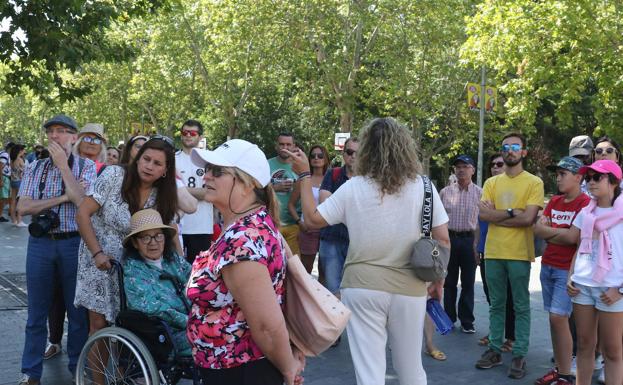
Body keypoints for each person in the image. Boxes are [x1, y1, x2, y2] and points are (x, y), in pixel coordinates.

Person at [287, 117, 450, 385]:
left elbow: (313, 220)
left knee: (369, 372)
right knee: (411, 370)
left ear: (366, 151)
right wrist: (437, 281)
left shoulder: (353, 188)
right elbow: (443, 240)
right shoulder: (424, 187)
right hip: (410, 287)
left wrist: (305, 176)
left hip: (361, 287)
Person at [188, 139, 305, 385]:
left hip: (239, 371)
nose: (206, 176)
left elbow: (265, 326)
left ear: (247, 184)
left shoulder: (241, 241)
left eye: (217, 171)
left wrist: (288, 369)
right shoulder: (253, 223)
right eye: (207, 169)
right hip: (236, 367)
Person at [75, 136, 178, 385]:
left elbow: (165, 231)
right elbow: (82, 214)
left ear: (165, 171)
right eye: (146, 159)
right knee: (99, 326)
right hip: (97, 258)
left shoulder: (161, 196)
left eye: (157, 163)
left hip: (134, 265)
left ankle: (122, 378)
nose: (149, 166)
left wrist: (179, 265)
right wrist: (98, 253)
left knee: (129, 325)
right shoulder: (113, 176)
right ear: (137, 158)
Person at [17, 114, 95, 385]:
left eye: (62, 131)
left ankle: (77, 368)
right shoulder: (35, 167)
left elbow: (83, 201)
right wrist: (63, 197)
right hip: (40, 244)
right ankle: (31, 373)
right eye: (51, 132)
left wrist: (63, 167)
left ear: (75, 137)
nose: (55, 136)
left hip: (74, 243)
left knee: (77, 313)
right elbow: (22, 207)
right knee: (36, 313)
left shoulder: (86, 166)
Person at [476, 132, 544, 379]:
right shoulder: (491, 183)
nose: (510, 150)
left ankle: (519, 353)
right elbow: (484, 215)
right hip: (493, 252)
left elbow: (529, 219)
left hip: (519, 254)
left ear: (523, 152)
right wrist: (512, 212)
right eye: (506, 147)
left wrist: (500, 215)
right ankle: (494, 350)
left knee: (520, 305)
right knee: (496, 304)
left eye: (515, 146)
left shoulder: (534, 182)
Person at [533, 156, 590, 385]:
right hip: (547, 266)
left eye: (563, 174)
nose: (558, 178)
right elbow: (537, 229)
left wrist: (552, 232)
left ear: (578, 177)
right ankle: (561, 369)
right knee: (554, 319)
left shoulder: (585, 203)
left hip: (566, 270)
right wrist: (561, 233)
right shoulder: (554, 200)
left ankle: (565, 375)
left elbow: (574, 237)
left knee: (559, 317)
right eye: (557, 174)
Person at [567, 160, 623, 385]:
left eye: (596, 177)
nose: (590, 182)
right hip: (582, 286)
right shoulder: (585, 212)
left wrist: (620, 289)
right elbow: (581, 247)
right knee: (583, 345)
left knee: (612, 351)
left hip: (612, 290)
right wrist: (571, 276)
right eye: (588, 178)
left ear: (613, 181)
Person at [123, 209, 192, 357]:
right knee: (216, 338)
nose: (153, 242)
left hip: (193, 323)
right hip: (167, 334)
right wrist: (191, 321)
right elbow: (153, 309)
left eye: (158, 236)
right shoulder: (134, 270)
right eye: (145, 238)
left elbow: (196, 281)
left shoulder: (173, 260)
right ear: (135, 243)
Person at [476, 153, 516, 352]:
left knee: (509, 298)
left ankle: (511, 337)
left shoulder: (510, 190)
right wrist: (477, 246)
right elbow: (481, 219)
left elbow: (515, 216)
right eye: (492, 164)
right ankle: (495, 333)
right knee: (492, 297)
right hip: (486, 251)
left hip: (507, 252)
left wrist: (495, 213)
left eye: (499, 164)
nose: (495, 167)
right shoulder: (488, 190)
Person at [440, 154, 482, 334]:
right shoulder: (445, 192)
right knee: (448, 282)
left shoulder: (480, 193)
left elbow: (482, 223)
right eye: (458, 167)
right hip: (449, 239)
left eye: (465, 166)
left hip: (469, 240)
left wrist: (478, 246)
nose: (461, 170)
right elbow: (438, 221)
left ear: (473, 170)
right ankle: (448, 318)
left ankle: (467, 320)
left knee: (468, 282)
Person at [318, 137, 359, 298]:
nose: (353, 156)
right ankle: (336, 323)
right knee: (332, 290)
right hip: (331, 239)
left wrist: (339, 208)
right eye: (349, 152)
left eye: (358, 152)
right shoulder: (333, 174)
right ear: (343, 153)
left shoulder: (368, 179)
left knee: (354, 291)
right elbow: (324, 203)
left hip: (357, 243)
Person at [175, 119, 214, 263]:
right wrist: (196, 192)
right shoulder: (172, 159)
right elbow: (168, 191)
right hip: (177, 226)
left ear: (200, 137)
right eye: (185, 132)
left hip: (202, 226)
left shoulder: (209, 160)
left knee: (198, 273)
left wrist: (180, 190)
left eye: (192, 133)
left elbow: (209, 193)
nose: (188, 135)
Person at [287, 145, 329, 273]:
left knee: (325, 271)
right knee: (306, 269)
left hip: (327, 231)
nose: (316, 158)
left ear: (326, 158)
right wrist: (300, 223)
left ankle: (322, 294)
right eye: (313, 156)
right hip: (308, 230)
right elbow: (291, 205)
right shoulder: (304, 179)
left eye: (320, 155)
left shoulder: (331, 178)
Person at [268, 132, 300, 255]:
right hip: (272, 223)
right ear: (276, 145)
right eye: (281, 144)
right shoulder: (267, 164)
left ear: (293, 146)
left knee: (294, 266)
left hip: (294, 225)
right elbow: (257, 190)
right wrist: (275, 187)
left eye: (288, 144)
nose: (285, 148)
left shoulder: (299, 165)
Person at [9, 144, 27, 227]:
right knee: (20, 201)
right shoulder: (19, 159)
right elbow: (25, 170)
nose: (25, 151)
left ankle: (14, 220)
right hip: (19, 182)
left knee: (13, 201)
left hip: (13, 181)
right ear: (20, 150)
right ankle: (19, 221)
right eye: (23, 150)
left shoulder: (12, 159)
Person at [0, 142, 14, 222]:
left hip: (5, 177)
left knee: (4, 198)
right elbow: (0, 167)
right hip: (4, 177)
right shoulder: (5, 155)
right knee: (3, 198)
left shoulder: (3, 154)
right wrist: (1, 180)